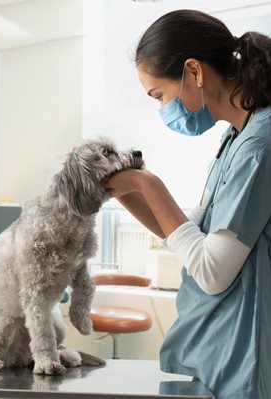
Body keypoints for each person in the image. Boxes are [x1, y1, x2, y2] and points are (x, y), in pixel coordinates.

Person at [104, 9, 271, 399]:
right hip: (221, 351)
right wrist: (121, 188)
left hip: (245, 356)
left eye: (159, 95)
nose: (162, 109)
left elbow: (212, 270)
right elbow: (185, 229)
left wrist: (147, 182)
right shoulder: (235, 139)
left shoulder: (259, 147)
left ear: (194, 72)